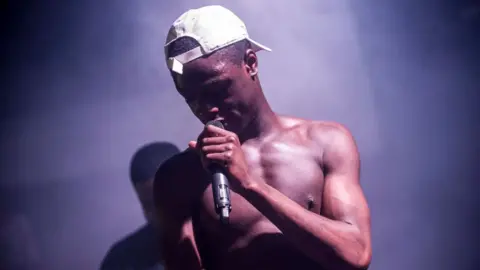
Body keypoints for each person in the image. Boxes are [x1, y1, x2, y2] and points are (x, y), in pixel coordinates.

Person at [154, 5, 372, 270]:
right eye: (192, 99)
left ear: (250, 63)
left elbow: (356, 255)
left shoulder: (325, 142)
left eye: (217, 89)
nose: (206, 108)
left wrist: (249, 185)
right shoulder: (180, 176)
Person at [100, 142, 180, 270]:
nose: (161, 214)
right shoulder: (121, 260)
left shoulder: (219, 242)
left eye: (166, 200)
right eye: (149, 205)